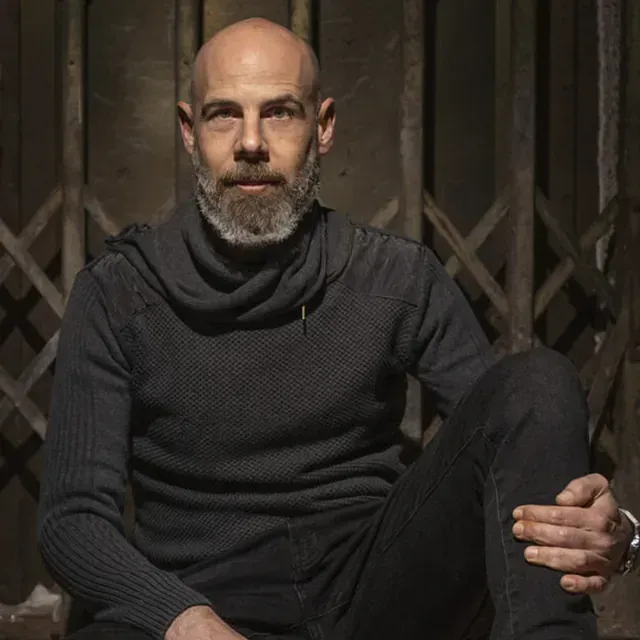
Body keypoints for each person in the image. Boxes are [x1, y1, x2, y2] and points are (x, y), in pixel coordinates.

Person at [37, 17, 639, 640]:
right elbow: (71, 520)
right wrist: (180, 618)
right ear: (190, 132)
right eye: (224, 115)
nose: (250, 143)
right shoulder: (119, 293)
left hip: (376, 594)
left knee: (539, 380)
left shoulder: (396, 277)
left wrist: (619, 532)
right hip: (200, 602)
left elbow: (511, 437)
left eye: (279, 113)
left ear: (322, 127)